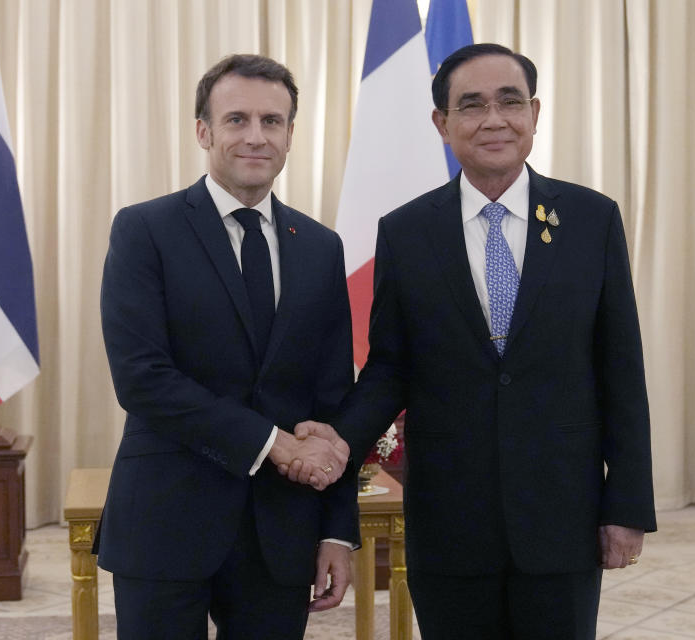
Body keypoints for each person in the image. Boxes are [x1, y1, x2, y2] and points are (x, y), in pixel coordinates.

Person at [290, 43, 657, 639]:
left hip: (561, 515)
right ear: (443, 123)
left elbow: (622, 372)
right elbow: (389, 368)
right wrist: (337, 439)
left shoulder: (592, 220)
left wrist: (628, 506)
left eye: (510, 101)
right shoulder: (407, 232)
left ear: (534, 113)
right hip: (449, 518)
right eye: (472, 105)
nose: (494, 119)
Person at [94, 54, 358, 640]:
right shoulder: (144, 230)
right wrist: (275, 446)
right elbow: (142, 379)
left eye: (273, 121)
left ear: (291, 134)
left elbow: (333, 399)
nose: (256, 136)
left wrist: (337, 531)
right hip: (165, 521)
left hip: (282, 532)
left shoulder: (321, 247)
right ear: (203, 131)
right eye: (237, 119)